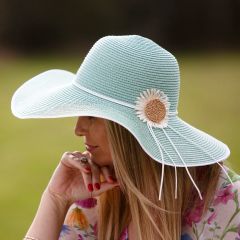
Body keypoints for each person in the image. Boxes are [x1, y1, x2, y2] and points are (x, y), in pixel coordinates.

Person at [11, 35, 240, 240]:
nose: (78, 129)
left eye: (91, 115)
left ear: (126, 128)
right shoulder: (95, 199)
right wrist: (55, 198)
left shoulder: (227, 204)